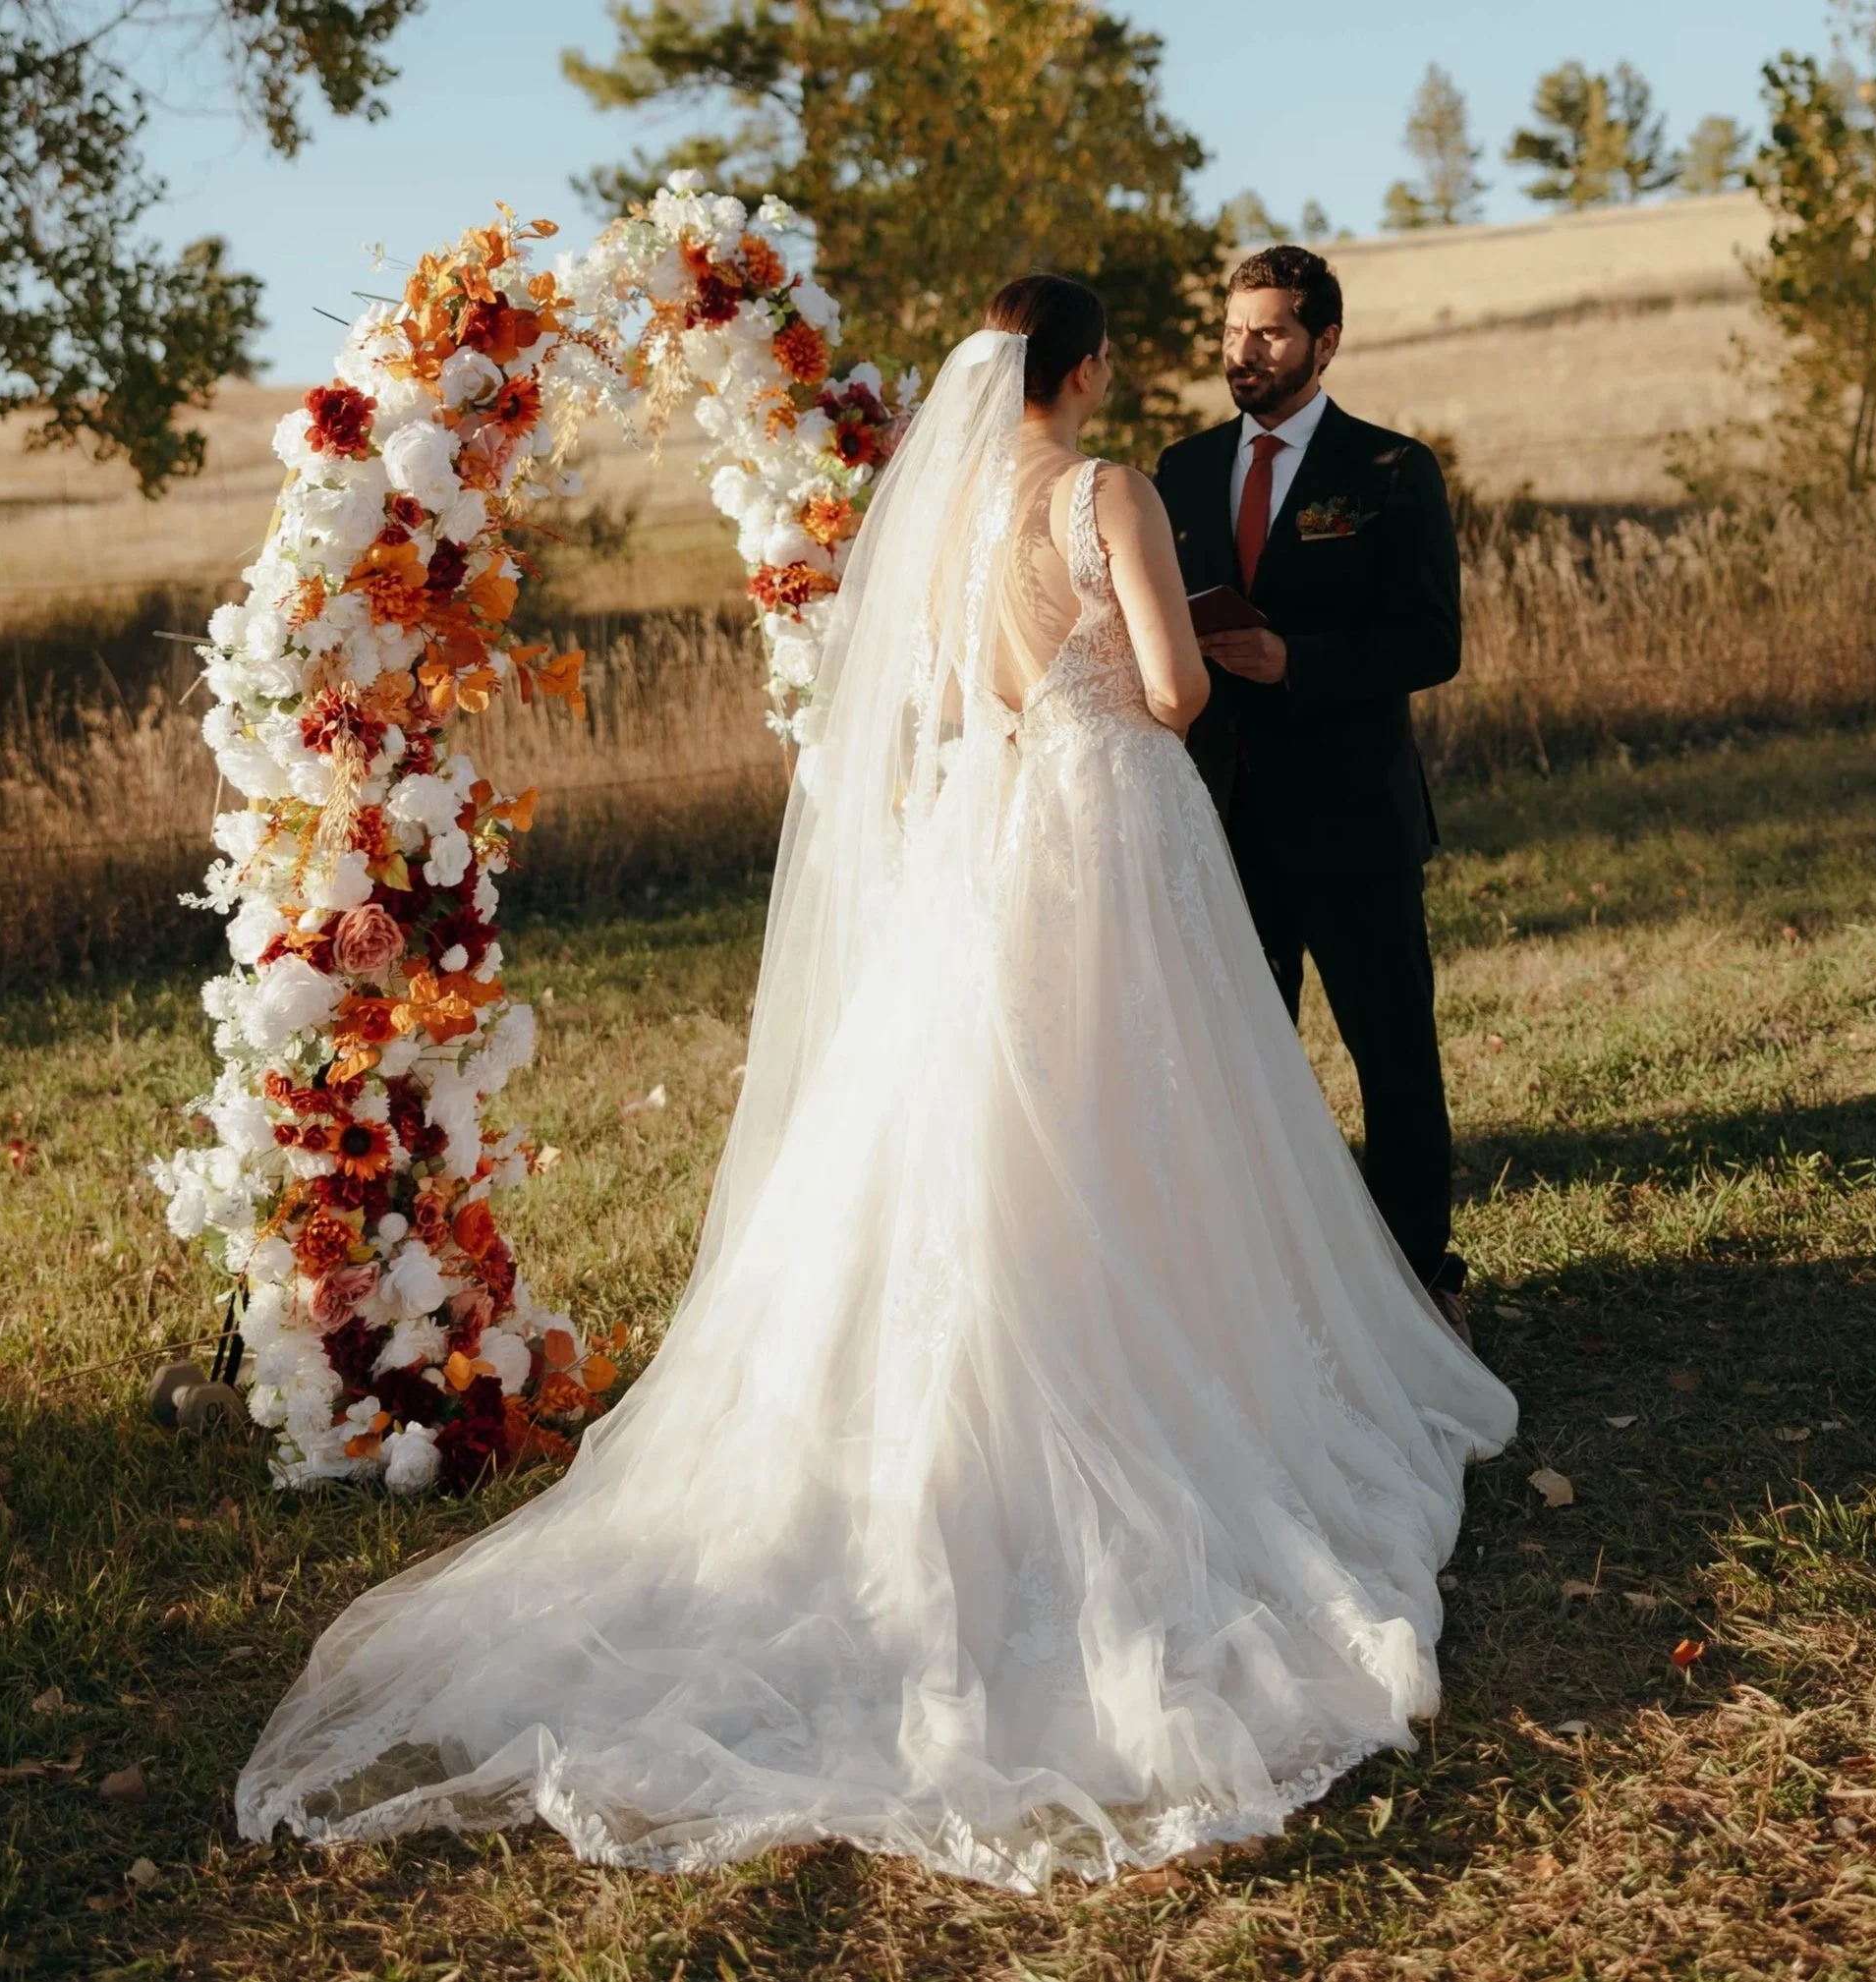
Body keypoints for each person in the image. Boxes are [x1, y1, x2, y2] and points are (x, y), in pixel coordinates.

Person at [236, 275, 1516, 1891]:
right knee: (1155, 1101)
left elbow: (945, 696)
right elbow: (1178, 697)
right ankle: (1177, 1347)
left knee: (988, 1103)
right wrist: (1164, 650)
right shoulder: (1106, 488)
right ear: (1086, 367)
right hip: (1116, 816)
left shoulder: (943, 512)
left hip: (993, 830)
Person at [1155, 246, 1472, 1337]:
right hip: (1218, 822)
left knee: (1392, 1056)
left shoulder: (1391, 470)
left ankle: (1425, 1277)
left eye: (1270, 334)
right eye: (1234, 333)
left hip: (1352, 818)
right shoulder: (1180, 469)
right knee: (1244, 1064)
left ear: (1324, 342)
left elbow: (1431, 641)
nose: (1244, 353)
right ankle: (1268, 1290)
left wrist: (1300, 662)